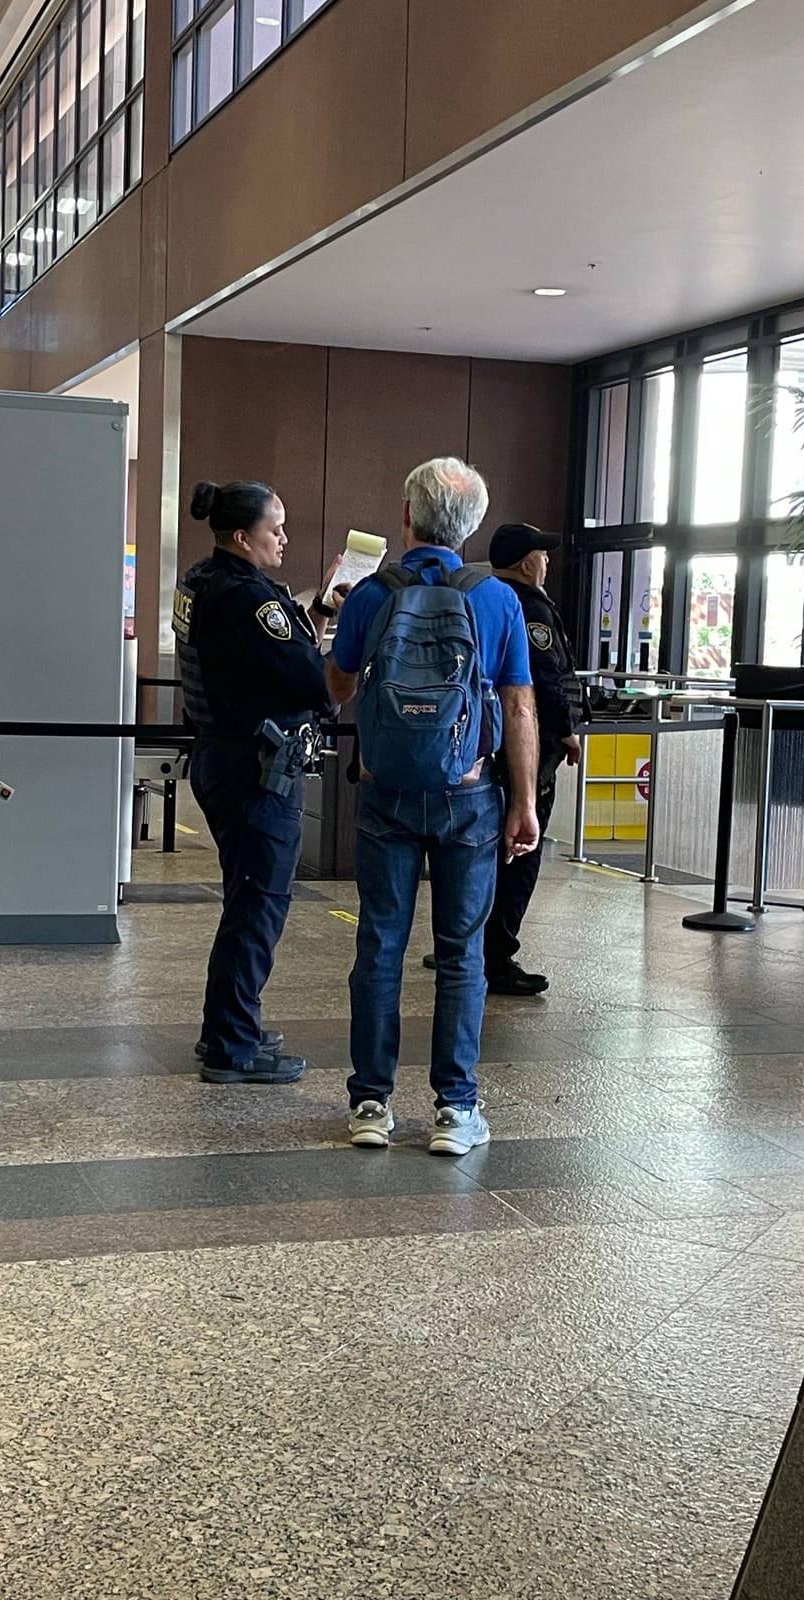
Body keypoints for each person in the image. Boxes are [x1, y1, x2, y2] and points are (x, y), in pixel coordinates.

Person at [328, 458, 539, 1156]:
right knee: (461, 952)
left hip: (386, 792)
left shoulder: (370, 593)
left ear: (406, 515)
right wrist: (525, 802)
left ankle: (370, 1103)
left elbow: (336, 688)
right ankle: (455, 1110)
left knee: (380, 944)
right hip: (469, 795)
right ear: (472, 524)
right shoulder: (496, 598)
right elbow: (518, 705)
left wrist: (337, 608)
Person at [175, 478, 344, 1086]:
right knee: (258, 905)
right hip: (257, 770)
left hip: (222, 756)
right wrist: (337, 636)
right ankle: (232, 1043)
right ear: (244, 537)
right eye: (275, 528)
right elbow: (308, 680)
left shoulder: (200, 580)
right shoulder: (250, 599)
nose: (284, 537)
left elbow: (249, 661)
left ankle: (229, 1023)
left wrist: (314, 612)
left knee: (247, 899)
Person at [423, 522, 587, 996]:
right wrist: (567, 731)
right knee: (518, 855)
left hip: (472, 748)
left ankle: (462, 942)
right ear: (524, 560)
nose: (547, 561)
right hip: (524, 750)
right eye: (542, 553)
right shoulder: (524, 606)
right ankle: (498, 956)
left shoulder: (468, 593)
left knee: (478, 857)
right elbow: (543, 682)